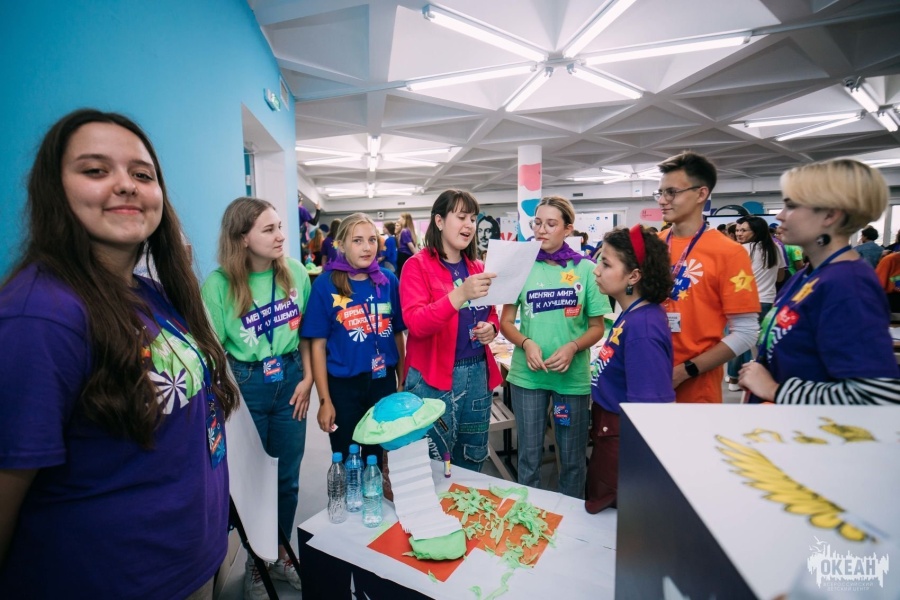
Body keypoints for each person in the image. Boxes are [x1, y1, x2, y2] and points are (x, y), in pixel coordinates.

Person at [0, 109, 239, 597]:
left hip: (189, 565)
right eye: (95, 170)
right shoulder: (41, 315)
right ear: (54, 189)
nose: (126, 185)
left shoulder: (151, 293)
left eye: (142, 175)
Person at [201, 197, 312, 597]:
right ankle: (257, 562)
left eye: (280, 226)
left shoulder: (296, 273)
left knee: (287, 476)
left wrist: (309, 379)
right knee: (251, 480)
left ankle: (280, 555)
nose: (281, 235)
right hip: (244, 383)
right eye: (269, 229)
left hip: (292, 379)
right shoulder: (218, 285)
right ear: (242, 238)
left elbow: (307, 334)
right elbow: (212, 349)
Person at [739, 159, 900, 404]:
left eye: (791, 206)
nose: (780, 216)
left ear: (830, 215)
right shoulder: (809, 275)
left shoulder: (848, 285)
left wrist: (774, 390)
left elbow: (876, 395)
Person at [500, 196, 609, 498]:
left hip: (570, 381)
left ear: (568, 228)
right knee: (529, 457)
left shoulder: (586, 269)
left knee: (573, 459)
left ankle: (571, 517)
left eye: (551, 224)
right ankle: (529, 512)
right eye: (537, 223)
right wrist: (526, 343)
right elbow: (505, 322)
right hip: (528, 377)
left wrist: (573, 346)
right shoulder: (520, 267)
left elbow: (597, 327)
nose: (541, 230)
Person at [400, 190, 502, 472]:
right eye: (461, 217)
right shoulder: (416, 266)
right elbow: (416, 323)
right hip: (433, 377)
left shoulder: (477, 267)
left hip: (477, 373)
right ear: (439, 221)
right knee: (433, 462)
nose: (469, 225)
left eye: (473, 218)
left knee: (472, 457)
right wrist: (460, 294)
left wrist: (491, 328)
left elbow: (492, 312)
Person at [655, 151, 761, 403]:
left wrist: (685, 371)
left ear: (701, 194)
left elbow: (747, 332)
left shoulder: (729, 253)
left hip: (696, 388)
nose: (662, 200)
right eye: (660, 193)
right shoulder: (655, 245)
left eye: (671, 192)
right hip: (648, 377)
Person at [302, 213, 406, 464]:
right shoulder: (325, 284)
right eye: (357, 240)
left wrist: (401, 381)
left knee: (378, 456)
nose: (367, 247)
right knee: (346, 454)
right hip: (343, 387)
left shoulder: (388, 281)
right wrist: (324, 401)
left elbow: (397, 334)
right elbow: (318, 346)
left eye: (372, 240)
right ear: (341, 245)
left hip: (382, 383)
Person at [587, 225, 674, 514]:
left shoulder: (643, 329)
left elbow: (648, 412)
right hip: (609, 432)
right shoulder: (633, 314)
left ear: (634, 276)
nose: (597, 270)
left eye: (606, 263)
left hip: (622, 443)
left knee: (614, 513)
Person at [725, 216, 785, 390]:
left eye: (744, 230)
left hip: (744, 302)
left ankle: (734, 378)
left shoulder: (741, 249)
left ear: (756, 232)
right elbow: (780, 277)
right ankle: (763, 375)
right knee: (762, 341)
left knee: (737, 339)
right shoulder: (775, 248)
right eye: (738, 230)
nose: (739, 233)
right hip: (767, 300)